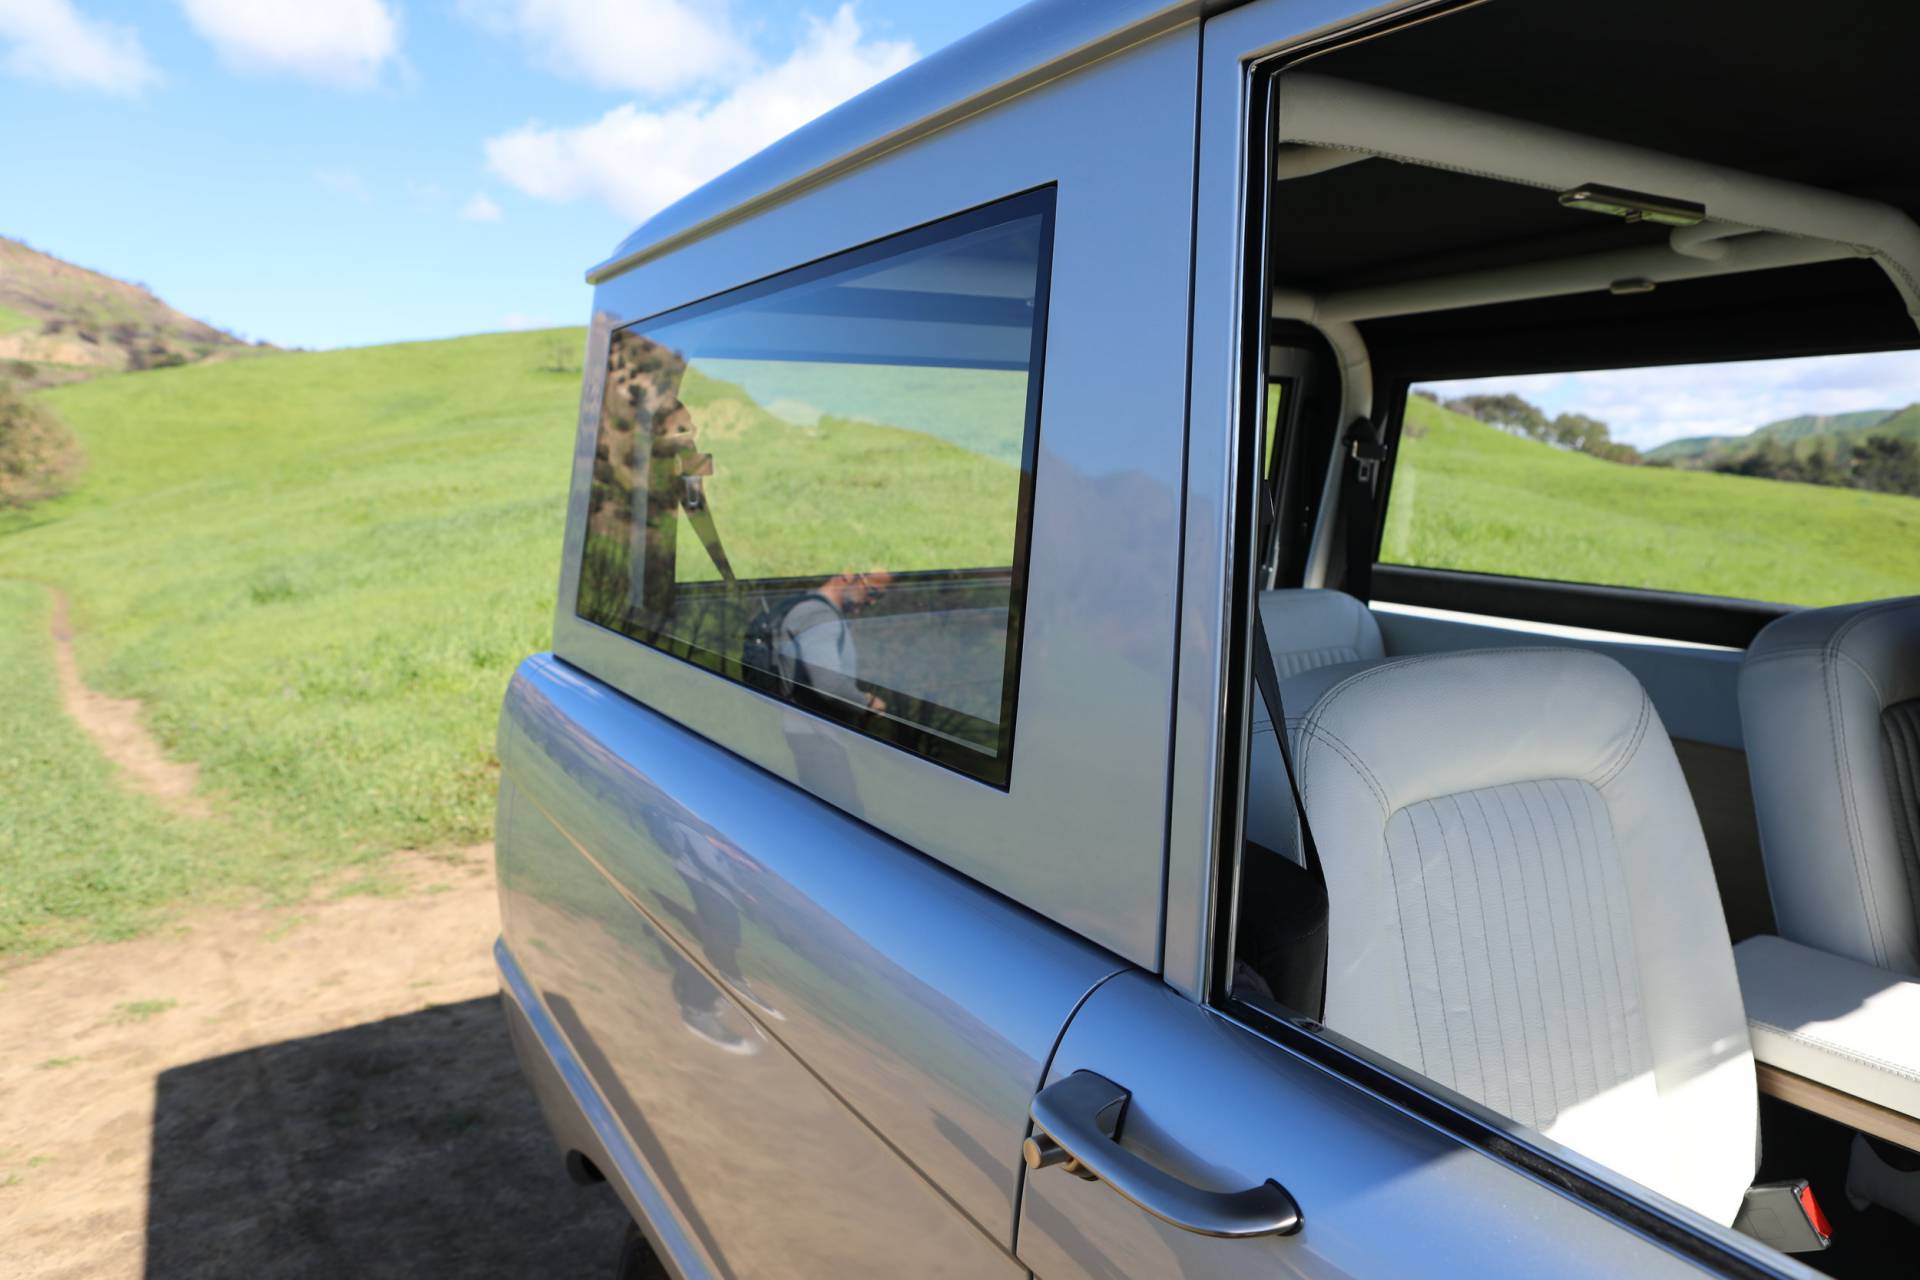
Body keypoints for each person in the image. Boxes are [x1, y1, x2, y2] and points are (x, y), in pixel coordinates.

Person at [776, 570, 892, 714]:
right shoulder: (820, 615)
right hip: (811, 729)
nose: (873, 601)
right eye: (873, 591)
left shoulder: (817, 610)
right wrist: (868, 703)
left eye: (880, 596)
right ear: (847, 574)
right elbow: (829, 684)